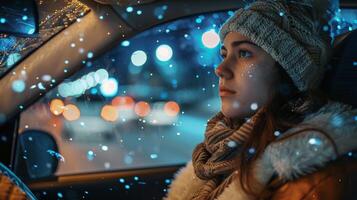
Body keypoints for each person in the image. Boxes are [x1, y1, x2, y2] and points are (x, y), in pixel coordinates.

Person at [165, 0, 357, 199]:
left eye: (244, 53)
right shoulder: (223, 153)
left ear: (287, 72)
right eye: (224, 54)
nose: (220, 69)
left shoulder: (311, 180)